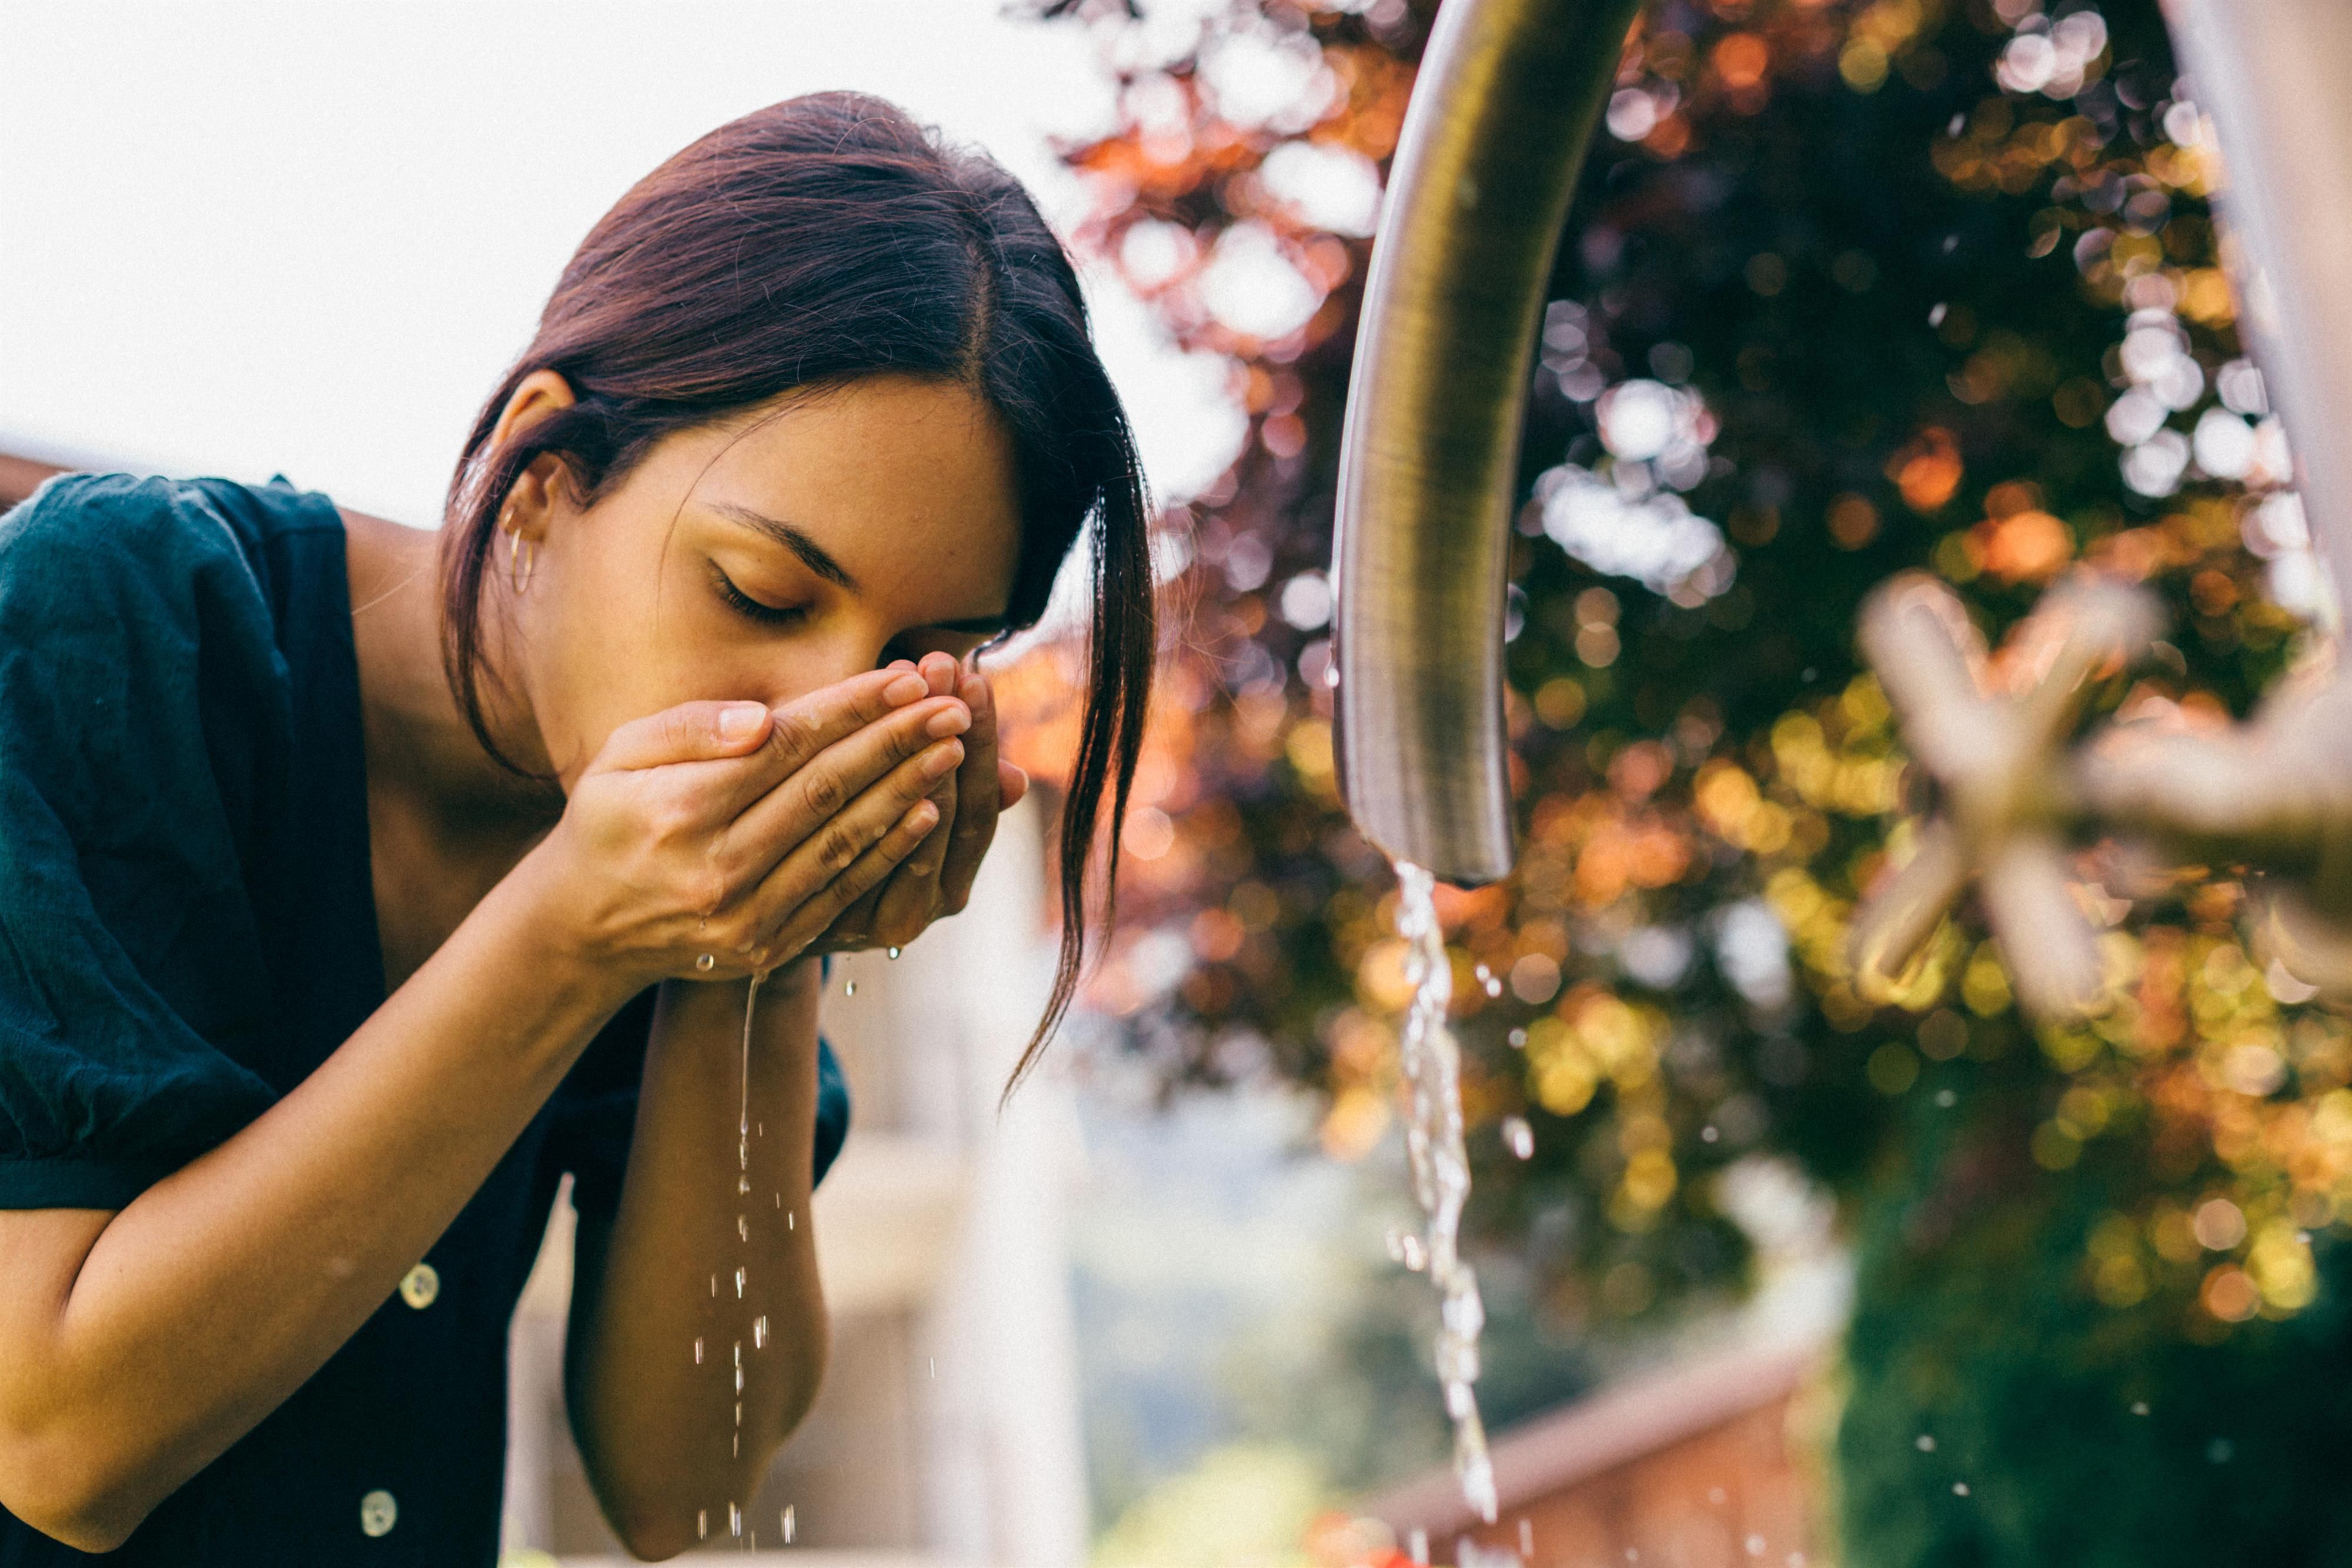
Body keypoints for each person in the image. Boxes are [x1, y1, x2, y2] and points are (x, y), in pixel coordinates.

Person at [0, 91, 1153, 1564]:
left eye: (914, 663)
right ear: (544, 474)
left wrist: (760, 948)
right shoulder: (128, 627)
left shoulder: (671, 865)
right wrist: (567, 932)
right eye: (759, 594)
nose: (811, 714)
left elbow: (683, 1480)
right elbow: (59, 1436)